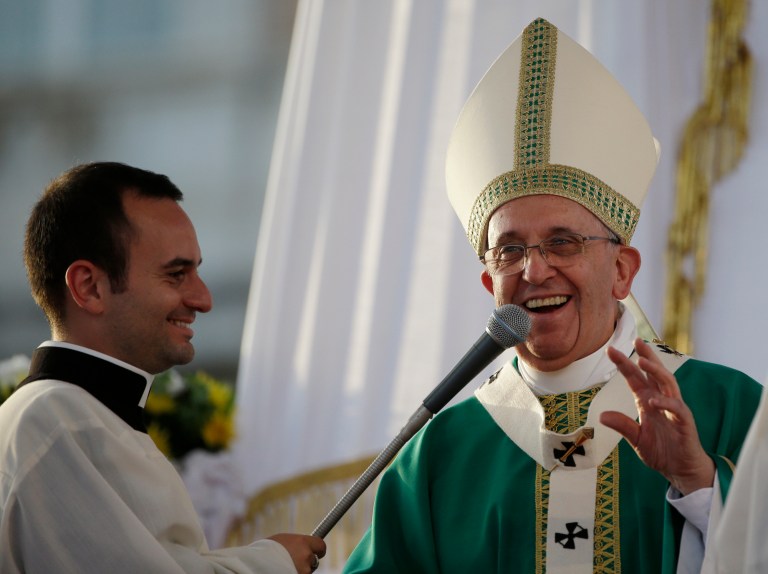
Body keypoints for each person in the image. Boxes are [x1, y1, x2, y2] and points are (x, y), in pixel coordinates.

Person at [342, 18, 761, 574]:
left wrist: (700, 486)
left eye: (562, 243)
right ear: (490, 283)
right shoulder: (439, 454)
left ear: (622, 271)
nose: (534, 270)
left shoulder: (731, 410)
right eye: (508, 250)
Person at [0, 162, 326, 573]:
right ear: (89, 287)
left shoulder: (78, 416)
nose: (203, 299)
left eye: (197, 271)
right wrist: (273, 563)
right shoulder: (55, 422)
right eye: (176, 274)